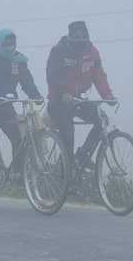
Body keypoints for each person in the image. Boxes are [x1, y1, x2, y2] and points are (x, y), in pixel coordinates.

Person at [46, 21, 116, 174]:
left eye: (83, 39)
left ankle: (82, 157)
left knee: (101, 121)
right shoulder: (58, 51)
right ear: (70, 38)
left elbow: (99, 75)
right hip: (58, 101)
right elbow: (52, 75)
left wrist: (107, 95)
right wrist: (63, 93)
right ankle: (65, 169)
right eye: (77, 40)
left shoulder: (92, 52)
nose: (80, 43)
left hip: (78, 99)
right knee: (68, 130)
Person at [0, 29, 43, 173]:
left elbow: (26, 81)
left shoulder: (17, 60)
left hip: (6, 105)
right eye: (6, 43)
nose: (9, 46)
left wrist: (35, 95)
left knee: (18, 137)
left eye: (12, 43)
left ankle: (17, 174)